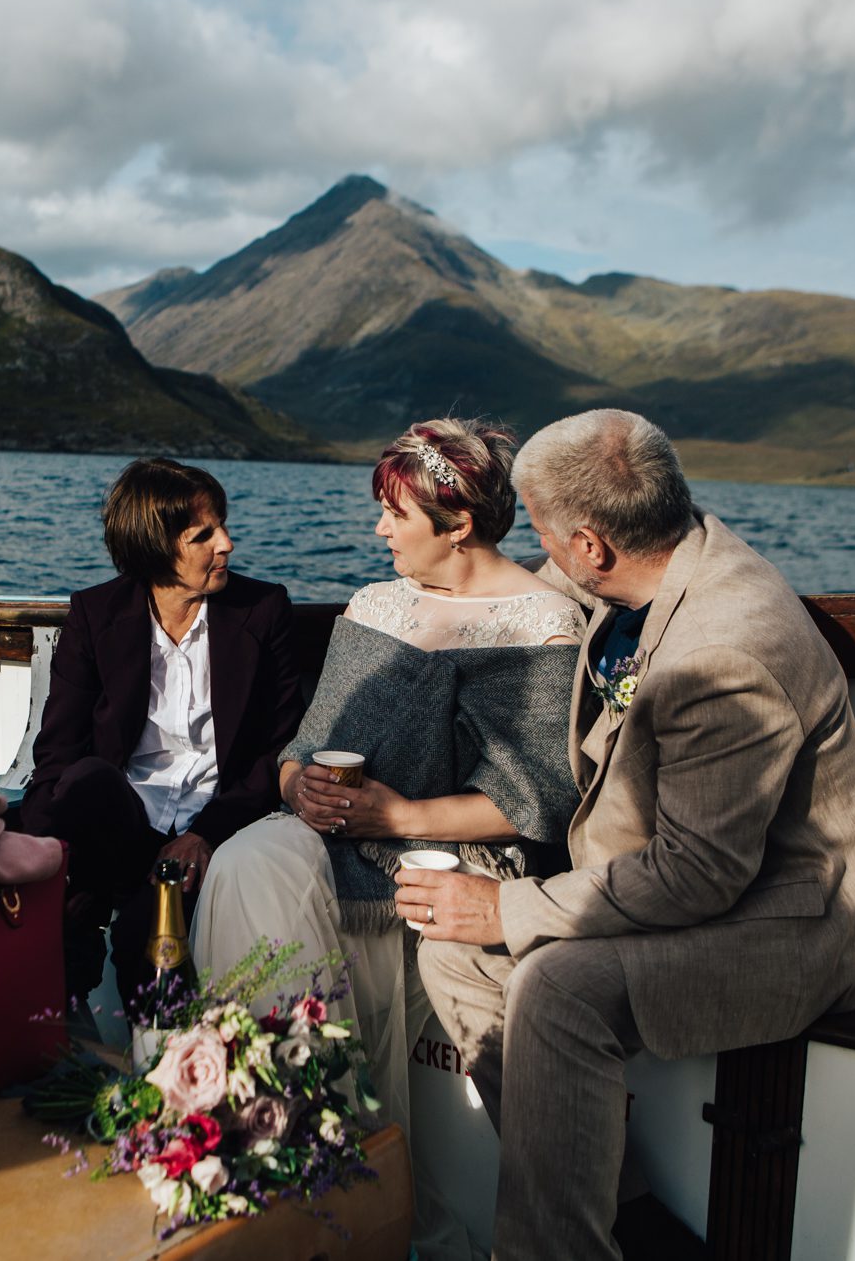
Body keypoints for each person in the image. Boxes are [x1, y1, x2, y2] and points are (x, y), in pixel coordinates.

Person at [406, 409, 855, 1260]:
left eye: (547, 535)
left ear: (594, 544)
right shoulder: (653, 556)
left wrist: (507, 905)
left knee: (555, 988)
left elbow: (698, 876)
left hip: (789, 916)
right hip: (692, 880)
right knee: (450, 954)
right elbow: (543, 589)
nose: (543, 552)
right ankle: (620, 1207)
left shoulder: (727, 651)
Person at [190, 418, 584, 1258]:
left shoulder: (546, 622)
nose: (377, 530)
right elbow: (301, 750)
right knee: (247, 860)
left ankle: (329, 1190)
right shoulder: (374, 604)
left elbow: (534, 798)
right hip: (328, 834)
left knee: (330, 920)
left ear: (459, 524)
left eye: (395, 515)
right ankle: (276, 1138)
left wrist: (396, 817)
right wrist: (301, 785)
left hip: (440, 858)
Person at [16, 458, 304, 1020]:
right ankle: (52, 1000)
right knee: (84, 782)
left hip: (213, 819)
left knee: (146, 939)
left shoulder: (261, 610)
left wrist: (206, 833)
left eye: (221, 525)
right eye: (204, 535)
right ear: (155, 548)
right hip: (122, 820)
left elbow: (280, 746)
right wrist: (44, 850)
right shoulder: (96, 614)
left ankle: (160, 1074)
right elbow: (58, 747)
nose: (227, 543)